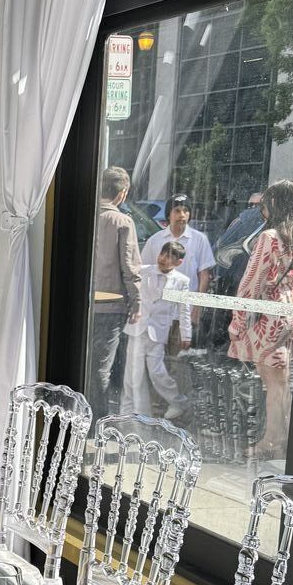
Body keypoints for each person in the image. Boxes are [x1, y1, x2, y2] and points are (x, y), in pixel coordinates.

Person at [227, 178, 293, 460]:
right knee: (283, 383)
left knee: (272, 383)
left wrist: (237, 324)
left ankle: (273, 439)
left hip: (271, 317)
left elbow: (252, 283)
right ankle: (281, 436)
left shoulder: (270, 237)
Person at [120, 238, 191, 420]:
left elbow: (184, 310)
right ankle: (132, 410)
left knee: (156, 371)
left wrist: (186, 334)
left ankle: (178, 401)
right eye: (163, 253)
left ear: (178, 262)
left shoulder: (181, 281)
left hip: (158, 331)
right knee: (132, 372)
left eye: (169, 257)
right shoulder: (144, 271)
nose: (163, 258)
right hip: (137, 327)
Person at [90, 165, 141, 414]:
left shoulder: (86, 216)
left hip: (85, 305)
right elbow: (129, 267)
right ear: (122, 194)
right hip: (111, 306)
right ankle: (95, 424)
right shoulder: (122, 221)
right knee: (101, 368)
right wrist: (137, 301)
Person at [140, 193, 214, 325]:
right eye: (177, 211)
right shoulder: (154, 241)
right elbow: (143, 274)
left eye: (186, 211)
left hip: (185, 312)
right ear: (168, 215)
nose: (182, 215)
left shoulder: (199, 240)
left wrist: (197, 308)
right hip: (157, 313)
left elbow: (204, 275)